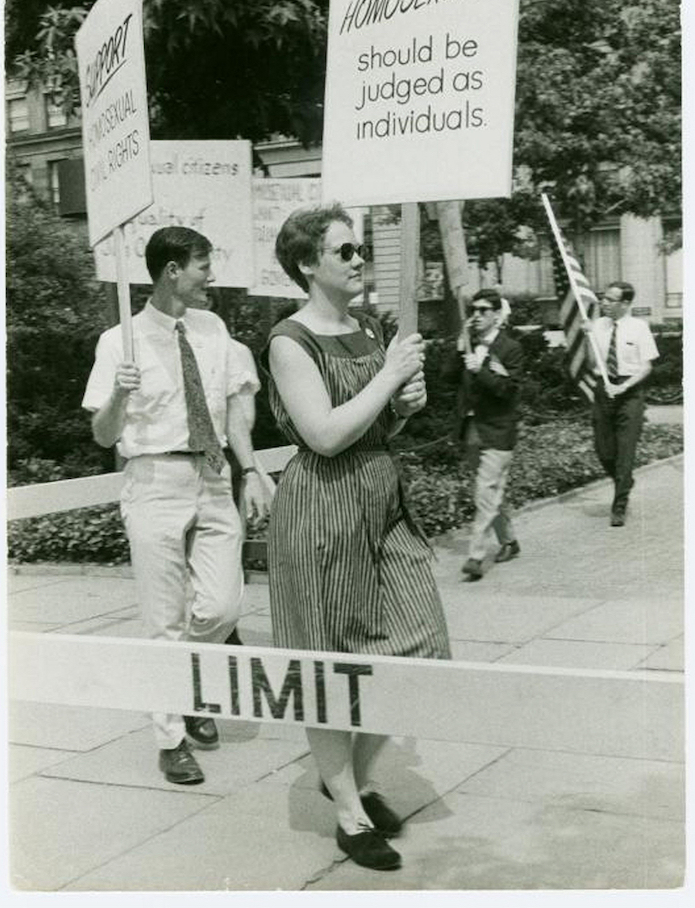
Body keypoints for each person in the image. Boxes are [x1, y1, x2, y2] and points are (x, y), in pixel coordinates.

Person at [261, 203, 451, 872]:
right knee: (325, 660)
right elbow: (325, 433)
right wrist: (391, 377)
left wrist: (404, 407)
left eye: (358, 248)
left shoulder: (371, 326)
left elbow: (374, 429)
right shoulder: (290, 340)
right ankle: (349, 804)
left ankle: (344, 772)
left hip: (380, 499)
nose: (357, 258)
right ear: (308, 263)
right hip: (321, 509)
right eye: (342, 250)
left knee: (420, 643)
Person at [82, 226, 271, 785]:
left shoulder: (213, 329)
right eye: (202, 265)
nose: (209, 275)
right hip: (154, 478)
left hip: (211, 476)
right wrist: (119, 392)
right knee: (163, 619)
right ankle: (170, 738)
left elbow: (237, 407)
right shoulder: (120, 341)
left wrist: (251, 467)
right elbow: (101, 435)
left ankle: (183, 684)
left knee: (221, 608)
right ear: (172, 271)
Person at [458, 289, 523, 583]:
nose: (477, 315)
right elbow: (447, 377)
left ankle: (475, 556)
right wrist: (459, 349)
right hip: (472, 429)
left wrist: (481, 368)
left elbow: (507, 391)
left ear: (497, 314)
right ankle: (509, 541)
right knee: (491, 493)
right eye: (474, 309)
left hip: (498, 431)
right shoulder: (468, 343)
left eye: (484, 310)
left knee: (484, 491)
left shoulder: (511, 348)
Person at [582, 281, 659, 526]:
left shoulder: (639, 328)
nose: (603, 303)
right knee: (603, 449)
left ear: (625, 303)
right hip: (604, 389)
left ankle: (619, 504)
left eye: (610, 300)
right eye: (603, 298)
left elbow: (646, 366)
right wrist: (587, 338)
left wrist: (623, 387)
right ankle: (623, 480)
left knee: (625, 450)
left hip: (630, 391)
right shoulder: (598, 326)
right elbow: (591, 362)